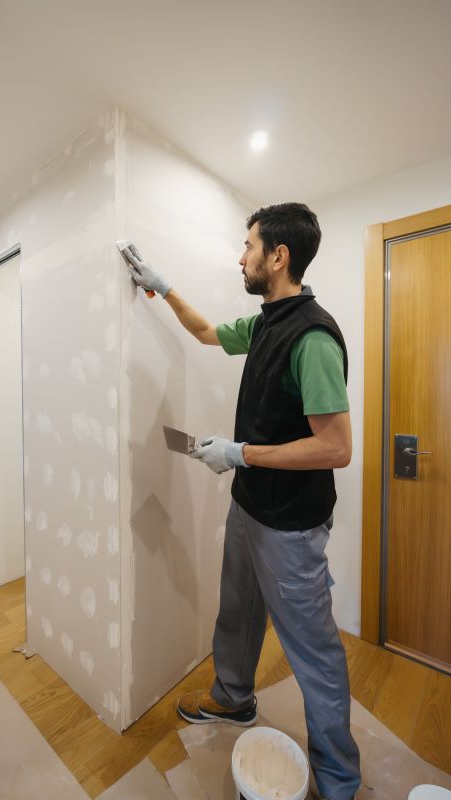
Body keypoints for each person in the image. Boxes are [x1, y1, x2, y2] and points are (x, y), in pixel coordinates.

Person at [121, 203, 361, 800]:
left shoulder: (312, 337)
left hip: (292, 526)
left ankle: (337, 779)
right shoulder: (265, 324)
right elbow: (206, 332)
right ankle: (233, 699)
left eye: (249, 245)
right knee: (238, 610)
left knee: (313, 650)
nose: (241, 256)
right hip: (250, 506)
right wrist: (165, 288)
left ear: (278, 256)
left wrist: (240, 452)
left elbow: (335, 447)